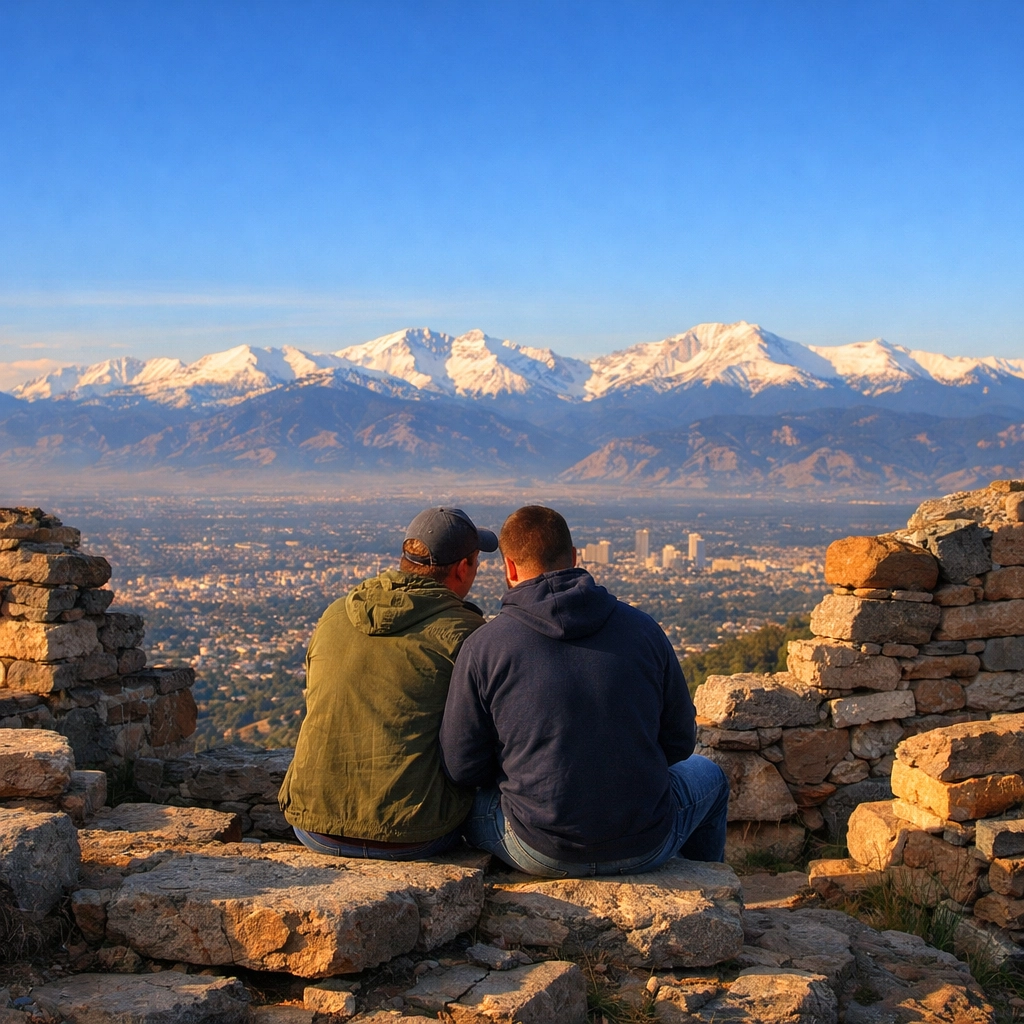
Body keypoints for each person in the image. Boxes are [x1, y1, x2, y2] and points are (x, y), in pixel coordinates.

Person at [439, 505, 729, 876]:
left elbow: (462, 767)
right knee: (711, 777)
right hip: (646, 841)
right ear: (575, 559)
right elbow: (679, 743)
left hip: (537, 847)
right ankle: (704, 885)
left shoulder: (485, 646)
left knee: (463, 809)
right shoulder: (644, 631)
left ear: (510, 568)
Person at [279, 506, 498, 859]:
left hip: (314, 824)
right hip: (416, 833)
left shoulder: (335, 615)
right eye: (475, 561)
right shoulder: (466, 635)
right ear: (462, 568)